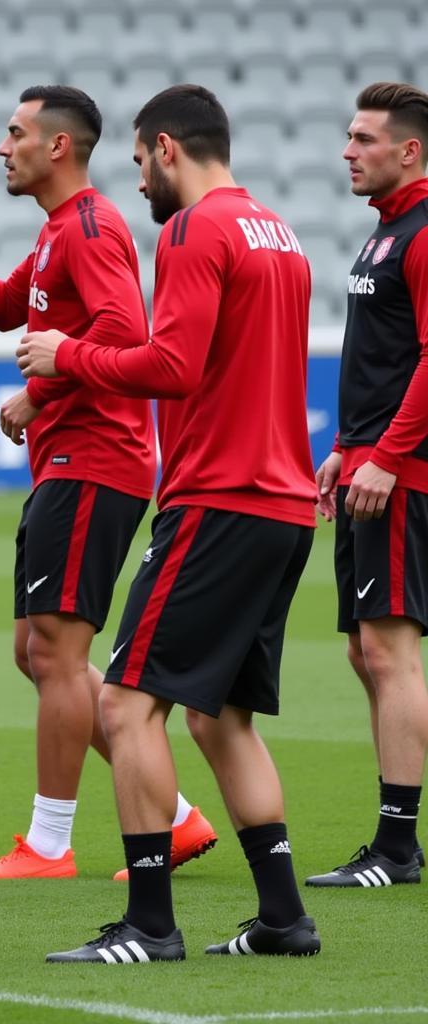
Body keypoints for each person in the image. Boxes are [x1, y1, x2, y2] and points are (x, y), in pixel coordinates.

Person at [18, 84, 321, 962]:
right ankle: (282, 918)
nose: (138, 181)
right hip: (283, 502)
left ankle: (150, 924)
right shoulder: (280, 231)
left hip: (218, 496)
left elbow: (174, 366)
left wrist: (64, 355)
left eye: (139, 163)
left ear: (162, 148)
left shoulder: (195, 229)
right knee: (221, 718)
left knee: (124, 704)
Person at [0, 85, 216, 882]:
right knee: (36, 653)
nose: (4, 148)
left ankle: (49, 844)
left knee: (59, 655)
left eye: (15, 133)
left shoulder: (94, 228)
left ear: (58, 146)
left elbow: (121, 332)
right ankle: (174, 818)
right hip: (69, 463)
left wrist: (40, 394)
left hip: (94, 460)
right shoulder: (58, 233)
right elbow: (10, 309)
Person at [306, 81, 428, 890]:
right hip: (371, 467)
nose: (348, 151)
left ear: (408, 150)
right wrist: (348, 449)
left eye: (363, 139)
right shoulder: (383, 234)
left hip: (403, 476)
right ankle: (396, 837)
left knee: (387, 653)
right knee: (366, 649)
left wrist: (386, 455)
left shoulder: (421, 234)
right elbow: (380, 362)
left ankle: (396, 847)